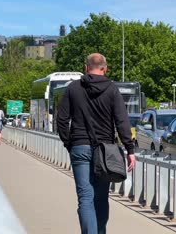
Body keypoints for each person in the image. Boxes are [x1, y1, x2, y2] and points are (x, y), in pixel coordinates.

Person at [57, 53, 136, 234]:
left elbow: (61, 120)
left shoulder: (73, 89)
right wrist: (130, 149)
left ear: (86, 68)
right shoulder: (112, 89)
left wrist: (69, 143)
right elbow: (122, 121)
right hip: (105, 151)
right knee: (101, 198)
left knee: (85, 198)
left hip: (79, 147)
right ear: (105, 68)